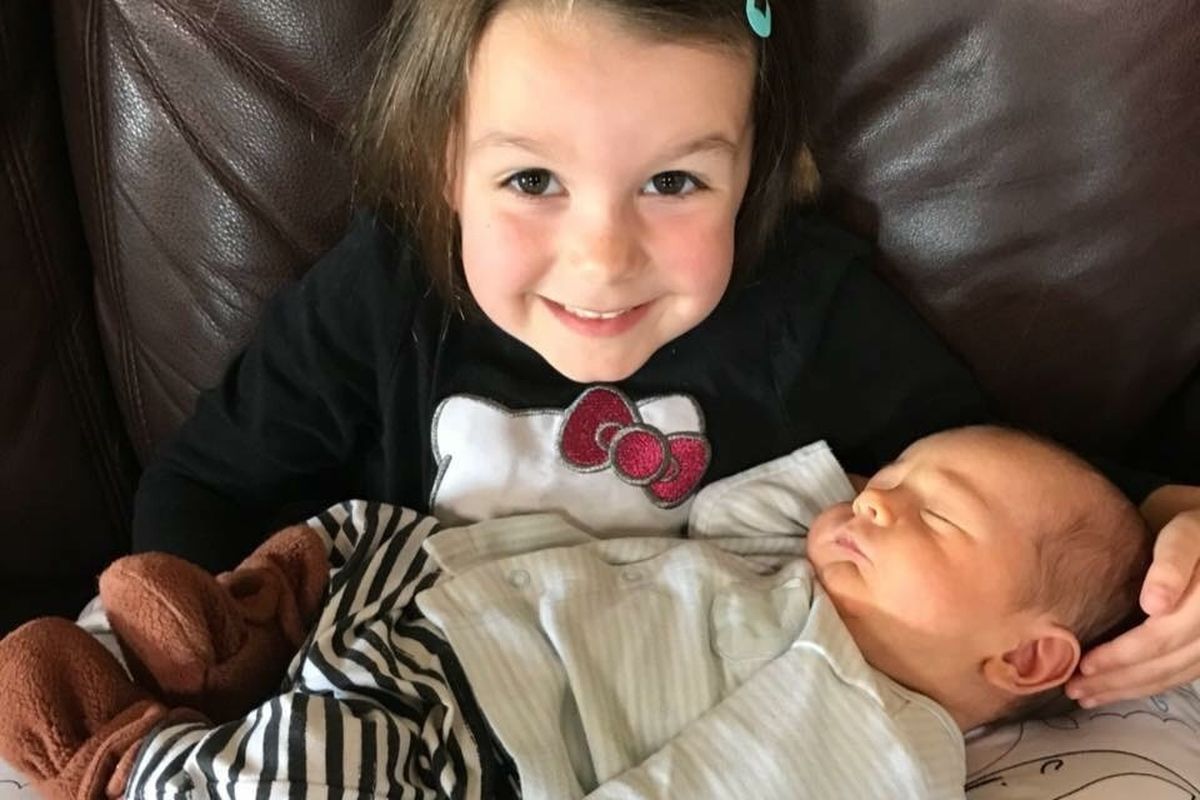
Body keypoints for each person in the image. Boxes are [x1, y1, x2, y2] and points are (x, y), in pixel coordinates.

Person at [129, 0, 1200, 739]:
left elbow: (1010, 493)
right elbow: (206, 487)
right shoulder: (383, 294)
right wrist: (210, 676)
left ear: (751, 172)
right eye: (532, 179)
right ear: (448, 162)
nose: (603, 258)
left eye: (674, 182)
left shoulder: (807, 308)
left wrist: (1168, 524)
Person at [0, 426, 1152, 799]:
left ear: (1026, 655)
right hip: (452, 607)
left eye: (935, 515)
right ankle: (242, 638)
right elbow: (740, 510)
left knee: (314, 766)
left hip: (483, 744)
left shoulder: (885, 736)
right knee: (358, 531)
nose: (878, 499)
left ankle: (129, 756)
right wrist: (862, 505)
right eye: (889, 475)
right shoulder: (806, 578)